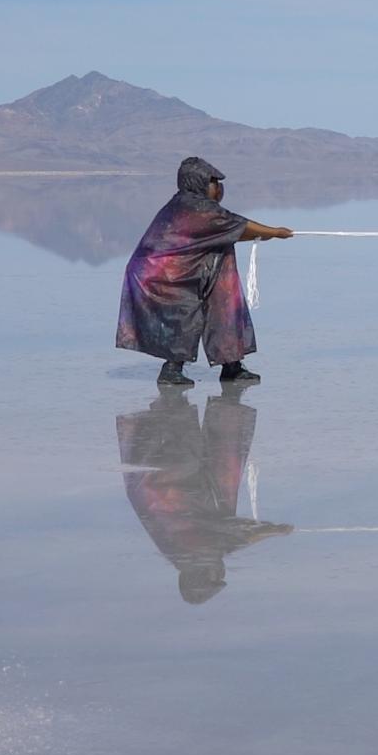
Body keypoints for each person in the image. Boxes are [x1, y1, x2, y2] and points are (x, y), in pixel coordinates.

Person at [118, 156, 293, 386]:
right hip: (161, 276)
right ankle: (171, 368)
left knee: (223, 296)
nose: (218, 188)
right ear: (198, 182)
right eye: (213, 183)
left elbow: (229, 230)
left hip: (186, 269)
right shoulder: (193, 207)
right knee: (182, 313)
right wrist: (275, 232)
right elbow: (236, 225)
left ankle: (231, 363)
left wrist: (264, 234)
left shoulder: (200, 208)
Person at [116, 386, 292, 604]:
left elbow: (226, 535)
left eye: (216, 577)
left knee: (182, 445)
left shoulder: (191, 552)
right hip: (193, 493)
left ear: (200, 576)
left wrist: (271, 530)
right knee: (222, 471)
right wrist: (269, 530)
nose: (220, 572)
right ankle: (224, 406)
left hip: (169, 484)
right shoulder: (183, 554)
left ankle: (174, 400)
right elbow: (224, 537)